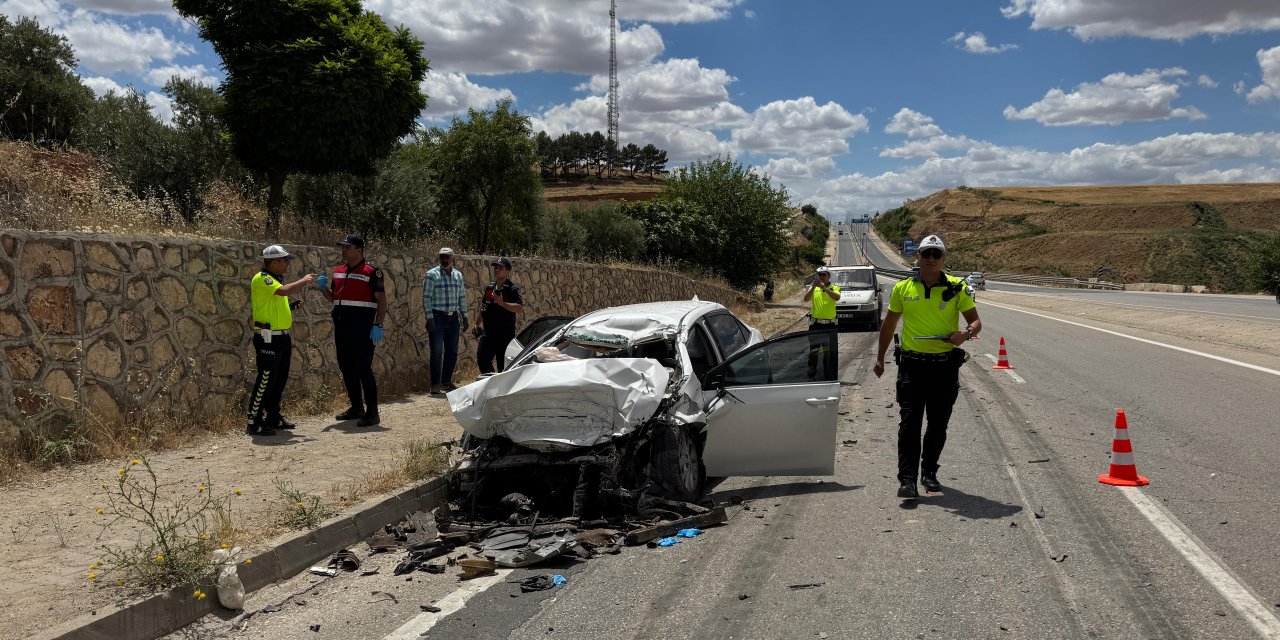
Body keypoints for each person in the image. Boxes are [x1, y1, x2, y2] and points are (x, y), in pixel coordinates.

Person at [872, 235, 982, 499]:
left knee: (938, 425)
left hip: (944, 368)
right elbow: (889, 324)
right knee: (909, 423)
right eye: (926, 254)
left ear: (943, 259)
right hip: (912, 366)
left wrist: (964, 334)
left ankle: (929, 473)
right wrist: (880, 357)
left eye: (936, 254)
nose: (931, 259)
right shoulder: (902, 289)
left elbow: (976, 322)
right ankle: (907, 479)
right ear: (917, 257)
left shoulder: (958, 287)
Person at [317, 234, 387, 427]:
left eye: (348, 247)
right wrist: (323, 288)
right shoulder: (338, 271)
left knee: (363, 368)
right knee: (346, 367)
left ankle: (372, 413)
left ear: (359, 249)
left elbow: (381, 300)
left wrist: (378, 324)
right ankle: (357, 408)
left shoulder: (372, 272)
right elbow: (333, 299)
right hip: (342, 327)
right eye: (343, 247)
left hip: (363, 329)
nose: (344, 250)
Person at [247, 245, 316, 436]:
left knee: (279, 381)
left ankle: (273, 417)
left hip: (281, 337)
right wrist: (304, 280)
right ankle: (253, 421)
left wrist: (291, 306)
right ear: (274, 262)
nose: (287, 264)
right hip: (267, 339)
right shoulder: (263, 279)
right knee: (266, 380)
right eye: (285, 260)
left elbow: (277, 302)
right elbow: (284, 291)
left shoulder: (276, 280)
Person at [422, 247, 467, 393]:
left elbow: (461, 297)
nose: (444, 259)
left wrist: (465, 316)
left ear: (452, 258)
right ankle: (435, 384)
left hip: (453, 317)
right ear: (439, 258)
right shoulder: (431, 275)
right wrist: (429, 317)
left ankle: (446, 382)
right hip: (437, 317)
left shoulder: (458, 276)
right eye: (442, 257)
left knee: (452, 351)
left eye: (447, 257)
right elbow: (426, 298)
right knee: (436, 351)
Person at [474, 257, 524, 374]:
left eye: (500, 268)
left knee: (503, 366)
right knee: (482, 360)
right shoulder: (490, 287)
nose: (496, 270)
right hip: (489, 333)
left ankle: (502, 389)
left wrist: (502, 303)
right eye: (495, 267)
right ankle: (491, 385)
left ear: (507, 271)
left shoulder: (512, 289)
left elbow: (519, 308)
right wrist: (476, 323)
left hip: (505, 335)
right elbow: (484, 306)